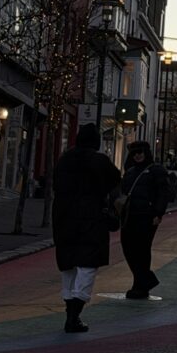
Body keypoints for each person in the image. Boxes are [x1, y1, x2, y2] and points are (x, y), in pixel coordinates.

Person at [52, 123, 121, 333]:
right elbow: (115, 180)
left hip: (63, 215)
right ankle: (74, 315)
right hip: (91, 216)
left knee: (69, 262)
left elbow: (56, 184)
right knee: (88, 264)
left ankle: (69, 310)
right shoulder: (99, 161)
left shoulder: (64, 160)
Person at [120, 141, 170, 299]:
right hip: (130, 216)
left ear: (146, 152)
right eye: (134, 153)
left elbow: (163, 192)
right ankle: (145, 280)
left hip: (147, 216)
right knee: (128, 247)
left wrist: (158, 213)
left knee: (141, 249)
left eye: (140, 152)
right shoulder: (130, 172)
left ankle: (140, 285)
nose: (138, 155)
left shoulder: (156, 170)